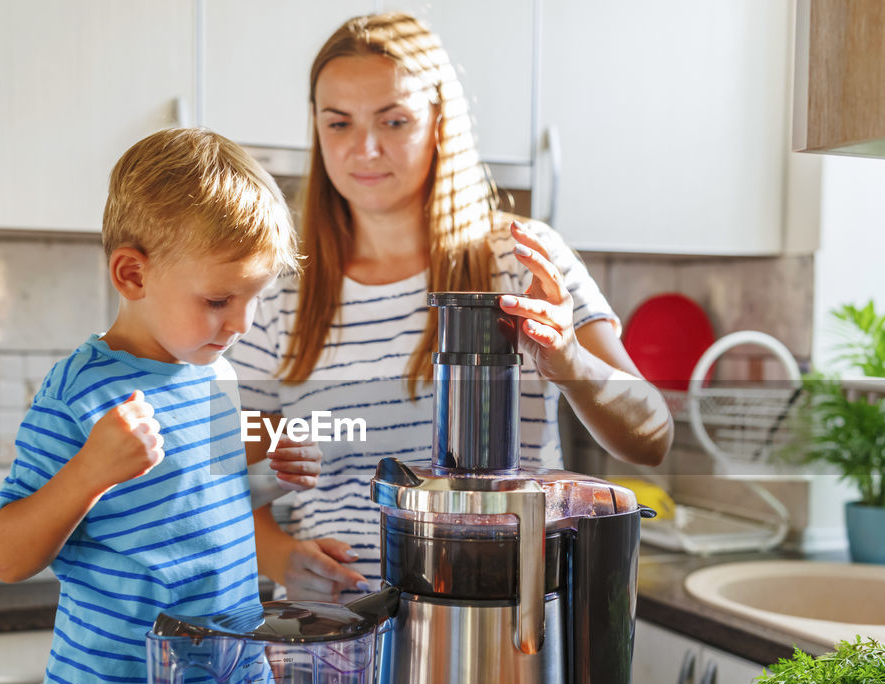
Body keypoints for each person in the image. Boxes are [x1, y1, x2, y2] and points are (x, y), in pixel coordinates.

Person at [231, 13, 674, 602]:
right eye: (339, 123)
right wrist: (281, 555)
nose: (365, 148)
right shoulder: (281, 293)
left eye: (394, 120)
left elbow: (652, 435)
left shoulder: (519, 260)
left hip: (503, 629)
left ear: (440, 122)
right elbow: (232, 479)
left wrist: (568, 359)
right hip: (337, 646)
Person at [0, 127, 318, 684]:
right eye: (220, 298)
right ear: (133, 274)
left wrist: (274, 440)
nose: (242, 323)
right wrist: (91, 472)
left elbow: (203, 454)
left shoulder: (211, 369)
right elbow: (4, 554)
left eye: (254, 297)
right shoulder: (78, 392)